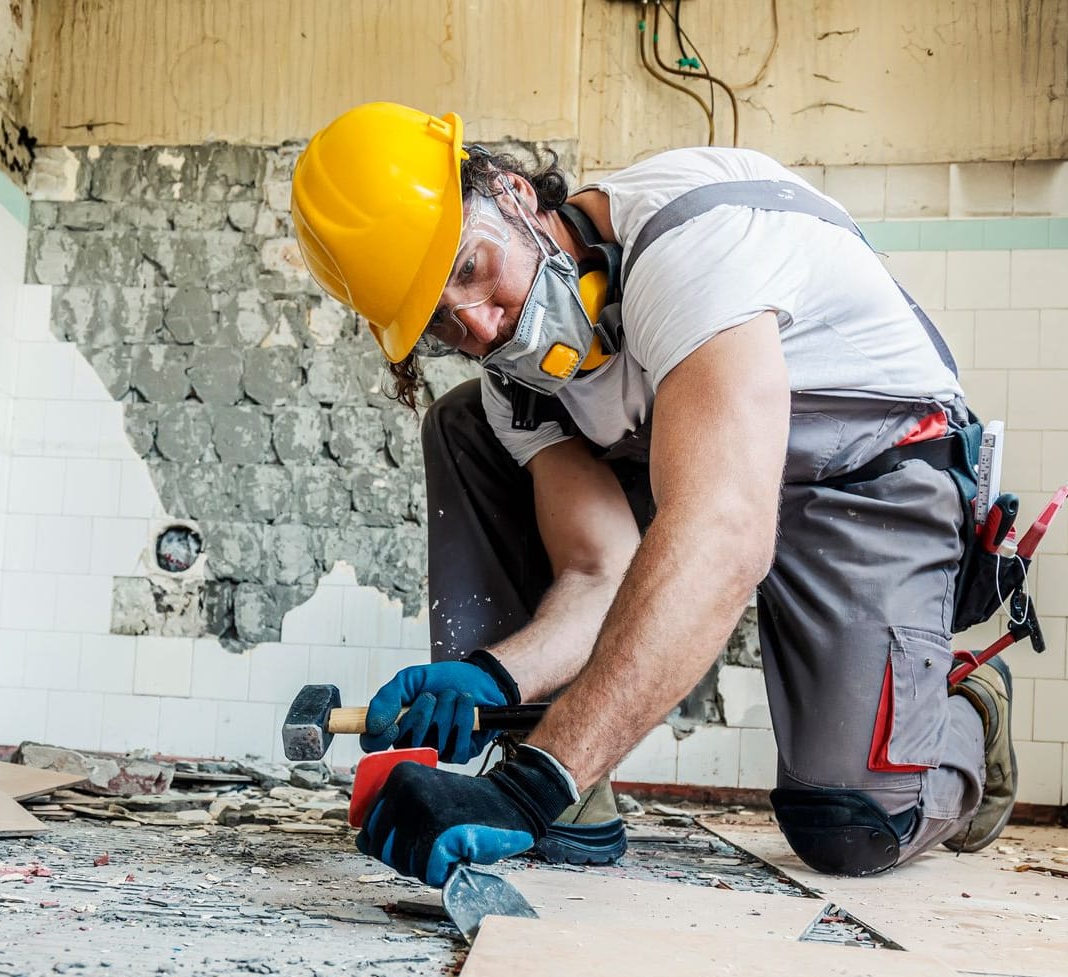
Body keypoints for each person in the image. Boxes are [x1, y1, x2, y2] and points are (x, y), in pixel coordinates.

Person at [289, 101, 1015, 887]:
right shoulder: (518, 385)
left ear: (510, 192)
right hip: (705, 463)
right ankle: (560, 770)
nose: (483, 326)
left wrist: (530, 792)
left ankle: (966, 708)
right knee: (467, 423)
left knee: (855, 826)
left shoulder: (691, 245)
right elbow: (600, 570)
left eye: (469, 269)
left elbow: (723, 532)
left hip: (867, 475)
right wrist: (493, 676)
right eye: (439, 322)